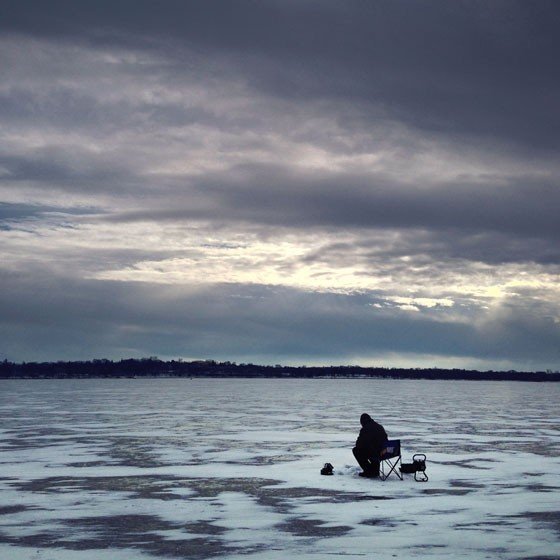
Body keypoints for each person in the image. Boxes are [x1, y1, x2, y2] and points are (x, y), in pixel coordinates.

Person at [353, 413, 388, 478]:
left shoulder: (365, 429)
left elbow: (358, 444)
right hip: (385, 452)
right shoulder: (379, 426)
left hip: (375, 453)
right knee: (372, 449)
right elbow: (386, 439)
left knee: (356, 450)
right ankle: (375, 470)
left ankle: (369, 471)